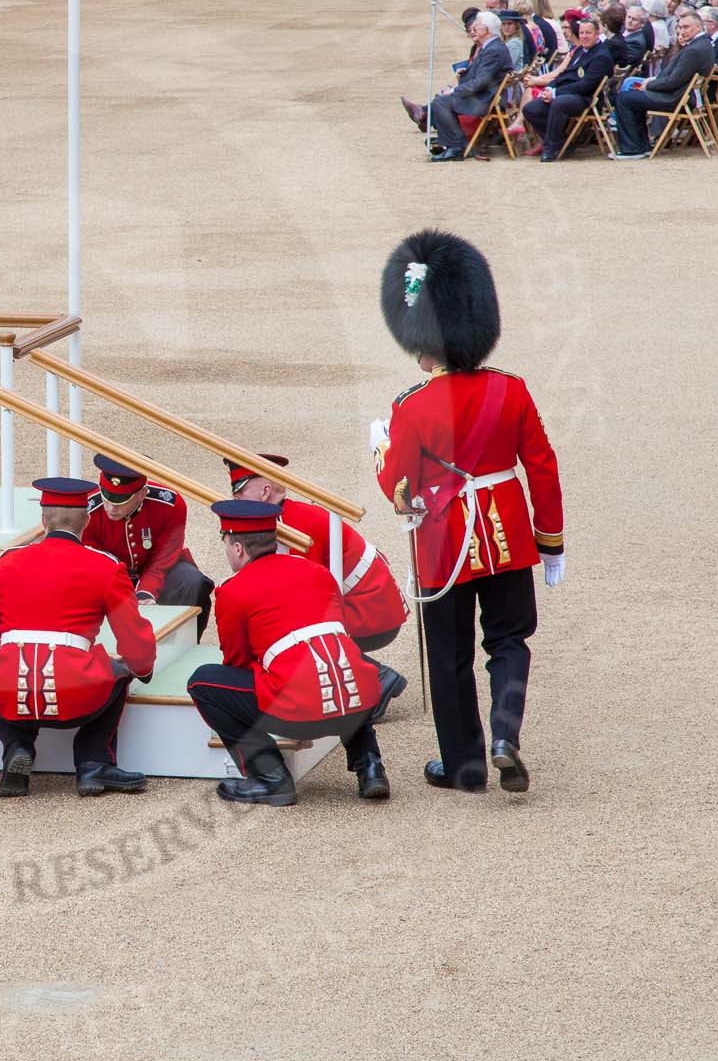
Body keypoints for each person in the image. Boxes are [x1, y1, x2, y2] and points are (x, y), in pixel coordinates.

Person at [373, 231, 564, 795]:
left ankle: (465, 765)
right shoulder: (512, 390)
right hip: (507, 535)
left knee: (450, 655)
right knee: (508, 641)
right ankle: (505, 735)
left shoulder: (410, 406)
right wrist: (549, 541)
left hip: (444, 542)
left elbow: (402, 489)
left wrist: (381, 453)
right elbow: (543, 468)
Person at [186, 500, 394, 806]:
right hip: (355, 702)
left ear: (238, 548)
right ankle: (371, 766)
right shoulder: (318, 573)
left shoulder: (233, 591)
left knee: (203, 682)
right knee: (344, 664)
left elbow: (237, 660)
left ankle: (270, 778)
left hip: (299, 710)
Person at [0, 476, 159, 798]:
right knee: (121, 672)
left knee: (8, 677)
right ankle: (93, 763)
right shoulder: (106, 567)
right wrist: (141, 668)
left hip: (14, 691)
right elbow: (134, 641)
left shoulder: (7, 563)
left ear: (43, 520)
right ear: (87, 520)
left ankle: (17, 748)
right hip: (77, 694)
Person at [223, 454, 409, 719]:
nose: (235, 501)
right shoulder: (289, 517)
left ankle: (378, 679)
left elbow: (305, 599)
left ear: (264, 492)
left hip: (370, 611)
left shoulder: (291, 525)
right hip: (370, 604)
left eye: (239, 493)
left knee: (286, 622)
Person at [84, 454, 215, 628]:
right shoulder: (87, 510)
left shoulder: (170, 505)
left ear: (141, 494)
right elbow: (95, 561)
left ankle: (186, 644)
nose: (111, 507)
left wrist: (146, 591)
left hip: (158, 572)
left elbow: (163, 558)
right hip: (109, 577)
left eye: (121, 500)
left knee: (193, 582)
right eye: (106, 496)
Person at [401, 13, 513, 161]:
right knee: (442, 99)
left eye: (477, 26)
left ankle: (455, 147)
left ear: (486, 29)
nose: (473, 29)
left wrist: (454, 90)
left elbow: (480, 83)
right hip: (486, 95)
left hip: (484, 99)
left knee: (441, 102)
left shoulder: (493, 50)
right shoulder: (492, 46)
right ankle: (454, 143)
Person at [610, 6, 715, 157]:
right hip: (680, 95)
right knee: (631, 97)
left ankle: (632, 148)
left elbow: (673, 81)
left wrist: (649, 85)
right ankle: (641, 146)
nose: (682, 31)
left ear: (698, 27)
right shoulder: (702, 44)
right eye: (679, 27)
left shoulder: (694, 49)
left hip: (674, 97)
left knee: (624, 99)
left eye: (686, 27)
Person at [522, 15, 611, 160]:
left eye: (588, 33)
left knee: (559, 103)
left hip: (586, 98)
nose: (584, 36)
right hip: (568, 93)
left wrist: (556, 93)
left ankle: (550, 148)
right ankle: (561, 142)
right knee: (531, 109)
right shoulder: (580, 50)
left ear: (597, 34)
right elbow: (564, 74)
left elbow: (586, 86)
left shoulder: (601, 56)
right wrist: (550, 88)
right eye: (582, 33)